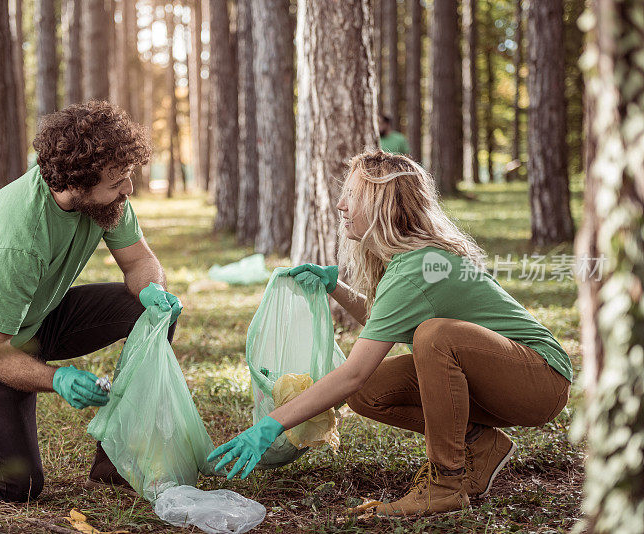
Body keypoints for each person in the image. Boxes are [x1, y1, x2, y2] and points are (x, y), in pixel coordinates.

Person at [208, 149, 572, 516]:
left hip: (541, 380)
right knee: (371, 390)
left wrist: (271, 425)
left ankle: (445, 485)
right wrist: (337, 288)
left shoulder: (417, 266)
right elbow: (385, 322)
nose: (340, 204)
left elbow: (352, 373)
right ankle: (478, 443)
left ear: (383, 203)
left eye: (352, 195)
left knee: (434, 337)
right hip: (504, 379)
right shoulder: (408, 262)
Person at [0, 101, 183, 503]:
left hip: (41, 315)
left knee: (152, 314)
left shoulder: (107, 201)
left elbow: (139, 261)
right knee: (17, 485)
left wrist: (155, 290)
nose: (128, 190)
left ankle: (115, 458)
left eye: (127, 178)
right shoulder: (17, 240)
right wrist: (57, 379)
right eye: (118, 182)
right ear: (78, 182)